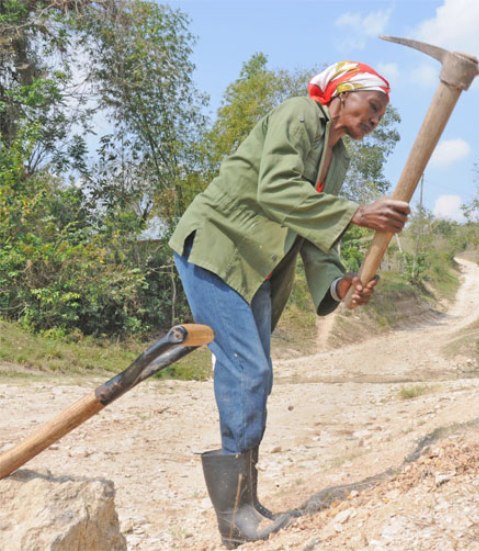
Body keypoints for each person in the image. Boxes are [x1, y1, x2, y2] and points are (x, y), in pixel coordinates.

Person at [169, 61, 410, 548]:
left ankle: (245, 502)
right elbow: (275, 189)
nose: (375, 120)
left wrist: (342, 284)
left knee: (254, 374)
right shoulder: (301, 114)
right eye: (373, 107)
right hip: (219, 249)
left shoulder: (338, 158)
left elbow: (314, 235)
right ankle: (235, 516)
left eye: (382, 115)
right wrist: (356, 212)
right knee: (247, 370)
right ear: (341, 95)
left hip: (259, 269)